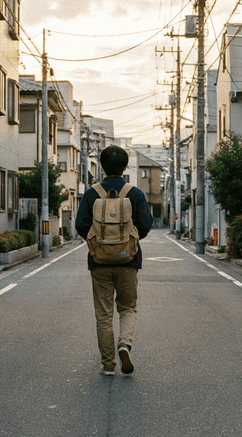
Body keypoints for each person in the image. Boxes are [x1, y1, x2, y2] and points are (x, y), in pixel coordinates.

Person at [75, 145, 152, 376]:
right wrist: (128, 240)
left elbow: (80, 225)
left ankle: (108, 363)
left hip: (99, 262)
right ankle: (124, 344)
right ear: (126, 166)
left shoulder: (91, 193)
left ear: (101, 166)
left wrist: (98, 240)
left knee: (103, 314)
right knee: (128, 307)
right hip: (128, 261)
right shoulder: (135, 193)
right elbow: (146, 226)